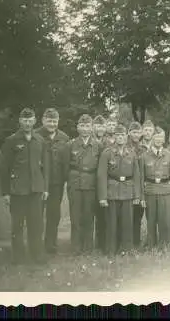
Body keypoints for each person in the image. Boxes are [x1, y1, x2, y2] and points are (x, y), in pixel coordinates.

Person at [0, 108, 49, 264]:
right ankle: (18, 257)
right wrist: (5, 192)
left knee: (36, 225)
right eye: (25, 120)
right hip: (17, 191)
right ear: (20, 121)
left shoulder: (40, 140)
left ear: (35, 121)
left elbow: (45, 167)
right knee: (17, 226)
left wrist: (45, 188)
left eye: (30, 120)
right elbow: (4, 168)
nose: (28, 123)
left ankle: (37, 255)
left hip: (36, 190)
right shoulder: (11, 140)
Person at [97, 124, 141, 256]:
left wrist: (137, 195)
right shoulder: (107, 153)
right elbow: (101, 175)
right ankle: (111, 249)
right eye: (117, 135)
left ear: (126, 137)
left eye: (122, 135)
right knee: (112, 222)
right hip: (112, 191)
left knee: (127, 222)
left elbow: (136, 175)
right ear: (114, 137)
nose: (120, 138)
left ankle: (126, 249)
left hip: (127, 191)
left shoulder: (131, 153)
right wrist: (103, 197)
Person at [62, 114, 102, 255]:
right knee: (75, 215)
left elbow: (101, 168)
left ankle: (88, 247)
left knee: (89, 215)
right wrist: (70, 182)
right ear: (77, 127)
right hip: (75, 183)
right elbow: (65, 167)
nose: (85, 129)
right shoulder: (70, 145)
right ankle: (76, 247)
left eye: (88, 126)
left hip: (91, 183)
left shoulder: (98, 145)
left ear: (92, 128)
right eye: (82, 126)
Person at [35, 108, 70, 254]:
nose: (52, 124)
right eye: (49, 121)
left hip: (56, 183)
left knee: (54, 214)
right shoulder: (35, 135)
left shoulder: (64, 138)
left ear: (58, 121)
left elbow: (67, 162)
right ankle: (36, 245)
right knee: (36, 214)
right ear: (43, 120)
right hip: (38, 182)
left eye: (54, 121)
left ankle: (50, 245)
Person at [140, 127, 170, 248]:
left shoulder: (169, 155)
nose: (158, 140)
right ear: (152, 138)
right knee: (151, 220)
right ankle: (151, 245)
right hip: (150, 191)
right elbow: (141, 178)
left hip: (165, 191)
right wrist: (141, 197)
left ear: (164, 139)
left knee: (165, 221)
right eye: (156, 137)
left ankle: (165, 245)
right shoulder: (144, 156)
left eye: (161, 137)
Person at [126, 121, 145, 249]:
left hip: (140, 185)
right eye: (133, 132)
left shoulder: (144, 149)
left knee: (138, 215)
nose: (136, 135)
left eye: (138, 132)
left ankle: (136, 243)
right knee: (126, 215)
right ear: (128, 133)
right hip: (127, 184)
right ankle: (126, 242)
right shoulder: (124, 147)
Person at [92, 115, 108, 253]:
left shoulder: (109, 142)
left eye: (102, 126)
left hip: (105, 181)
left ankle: (102, 242)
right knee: (90, 211)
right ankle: (92, 241)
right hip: (91, 180)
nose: (100, 129)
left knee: (104, 213)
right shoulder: (90, 141)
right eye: (97, 126)